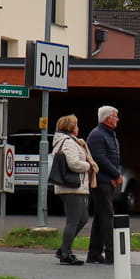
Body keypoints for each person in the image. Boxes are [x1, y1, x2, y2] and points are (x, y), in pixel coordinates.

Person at [50, 114, 97, 266]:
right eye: (76, 125)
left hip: (75, 187)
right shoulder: (69, 142)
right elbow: (74, 163)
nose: (78, 127)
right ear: (71, 127)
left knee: (83, 218)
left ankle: (64, 248)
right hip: (71, 187)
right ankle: (65, 253)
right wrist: (88, 165)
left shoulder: (70, 141)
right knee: (73, 221)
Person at [86, 105, 123, 264]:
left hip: (109, 181)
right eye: (115, 116)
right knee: (107, 217)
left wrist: (116, 174)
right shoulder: (97, 135)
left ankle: (94, 253)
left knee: (100, 217)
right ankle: (111, 254)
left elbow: (113, 158)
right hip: (101, 182)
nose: (117, 119)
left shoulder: (109, 134)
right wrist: (116, 174)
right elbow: (100, 158)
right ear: (107, 118)